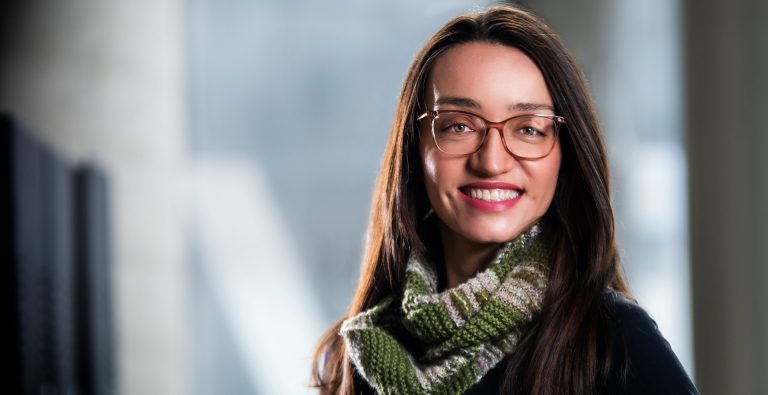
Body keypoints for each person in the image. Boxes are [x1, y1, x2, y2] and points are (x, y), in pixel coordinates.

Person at [311, 5, 699, 395]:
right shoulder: (355, 355)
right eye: (459, 125)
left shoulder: (615, 341)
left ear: (566, 155)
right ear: (416, 148)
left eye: (528, 129)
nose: (491, 162)